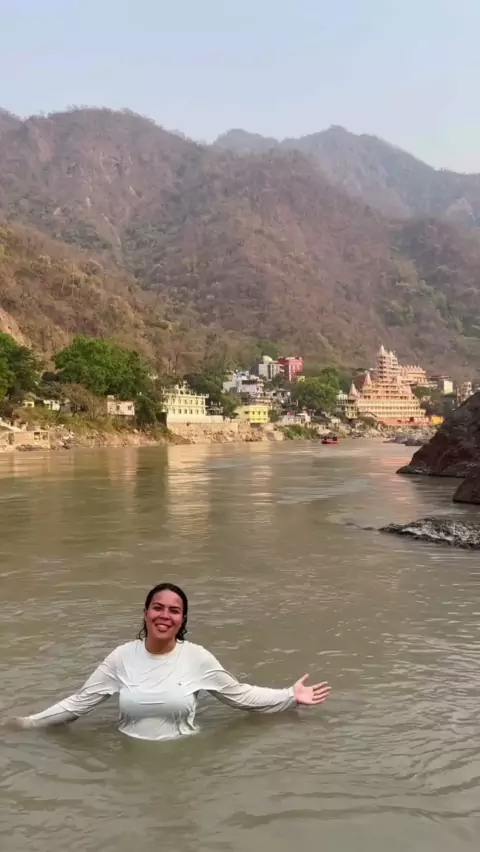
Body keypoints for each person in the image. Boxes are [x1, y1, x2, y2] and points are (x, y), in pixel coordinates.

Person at [11, 583, 331, 741]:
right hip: (130, 766)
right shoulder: (121, 657)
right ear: (145, 613)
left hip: (184, 763)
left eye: (174, 610)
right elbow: (77, 705)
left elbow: (241, 696)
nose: (164, 615)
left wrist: (290, 696)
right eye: (157, 607)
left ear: (182, 620)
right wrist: (21, 725)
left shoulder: (197, 658)